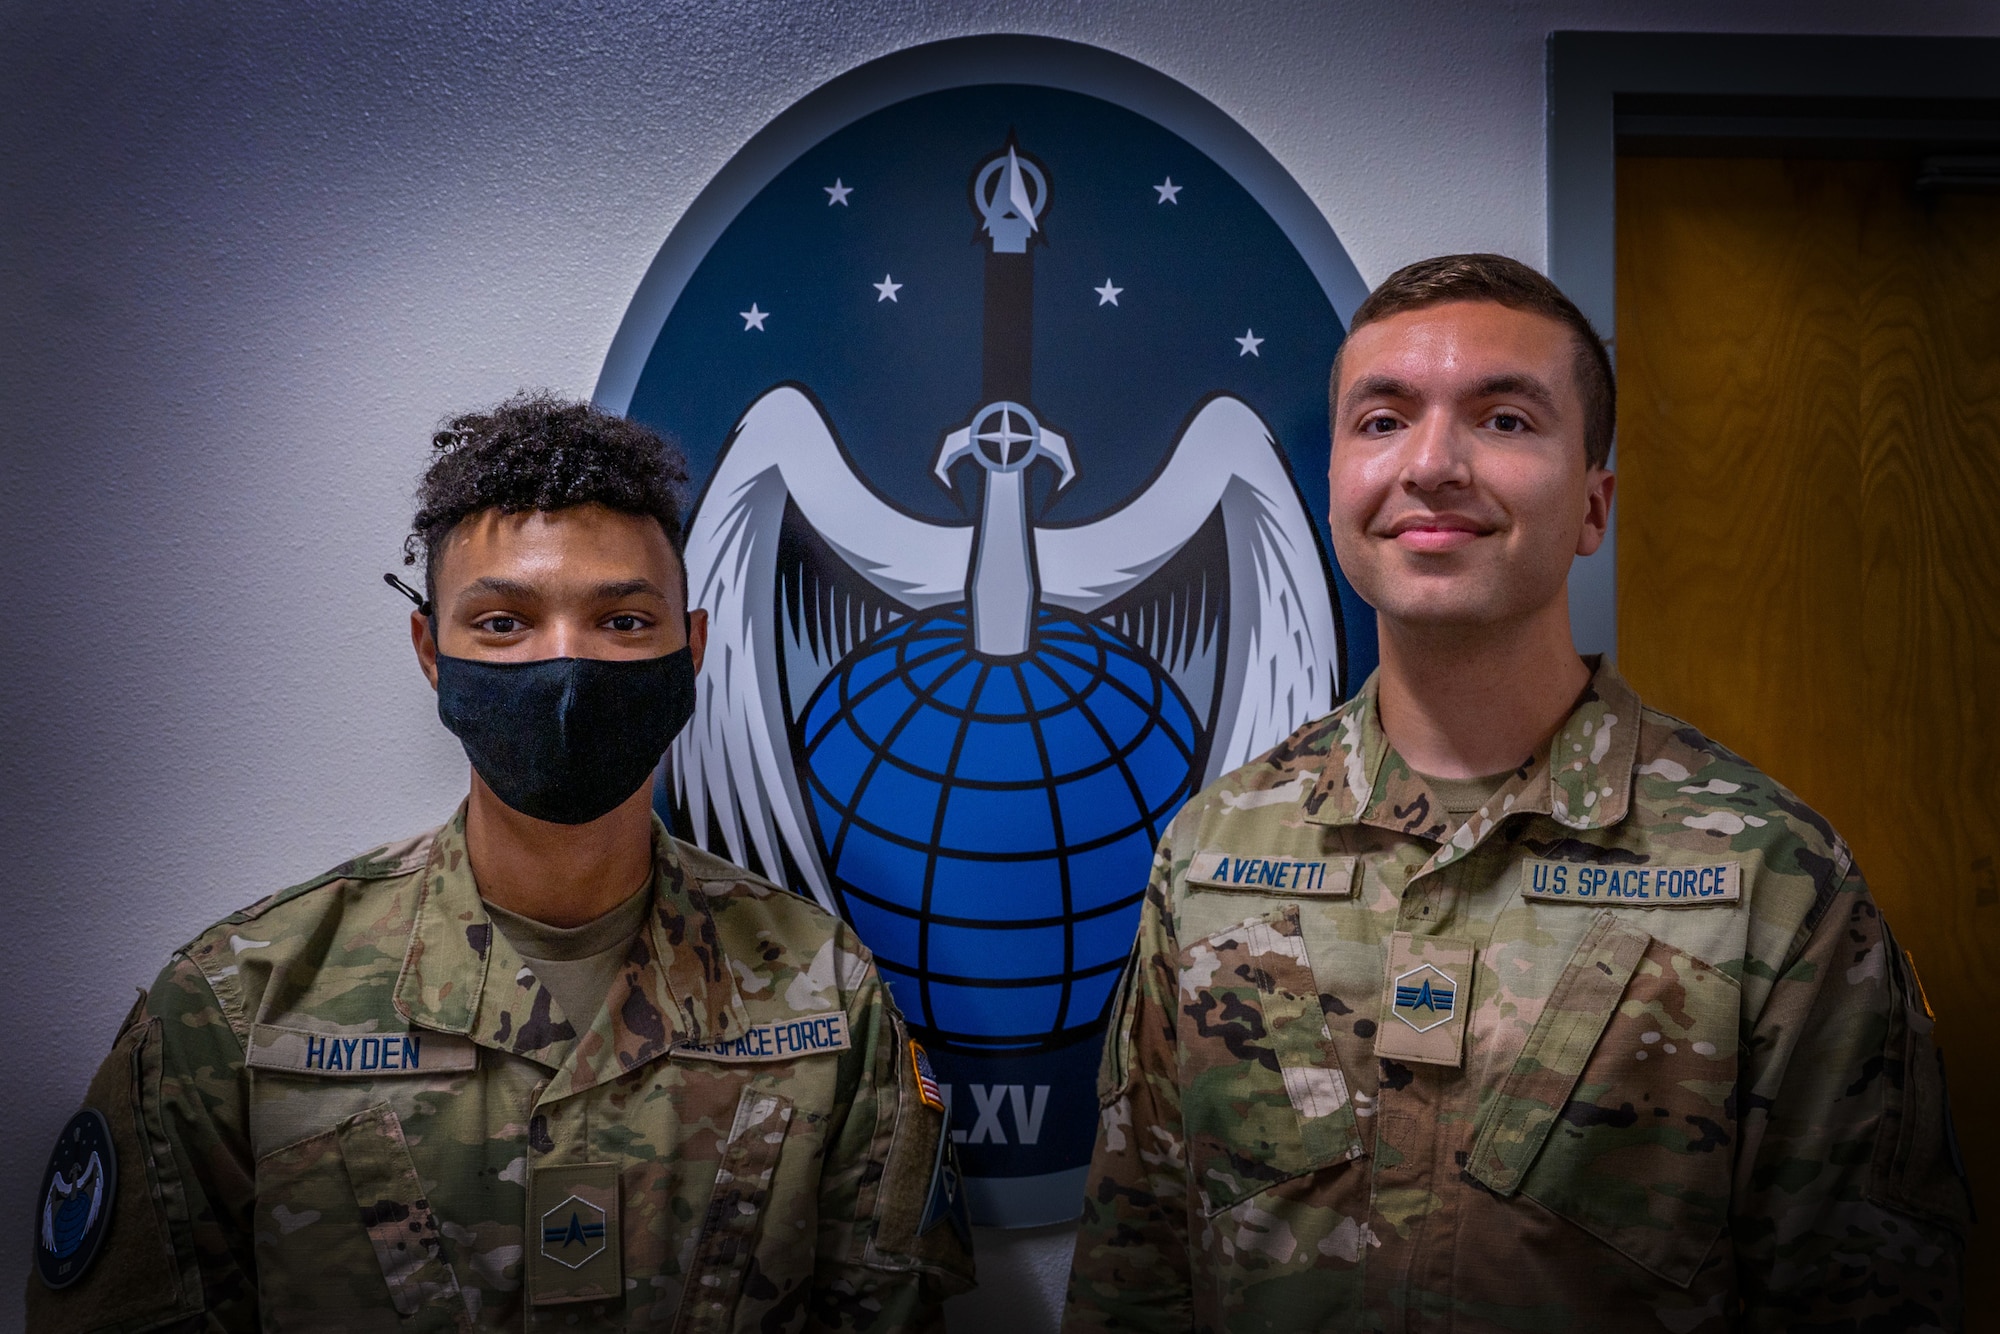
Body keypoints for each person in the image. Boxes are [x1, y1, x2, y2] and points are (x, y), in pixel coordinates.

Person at [1063, 255, 1968, 1331]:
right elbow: (1138, 1265)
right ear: (1335, 488)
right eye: (1382, 419)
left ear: (1592, 506)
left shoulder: (1769, 877)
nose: (1431, 463)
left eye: (1501, 419)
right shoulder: (1211, 850)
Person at [27, 394, 973, 1331]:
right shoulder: (238, 1007)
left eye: (625, 623)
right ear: (431, 652)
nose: (567, 668)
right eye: (503, 623)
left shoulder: (825, 995)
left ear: (694, 647)